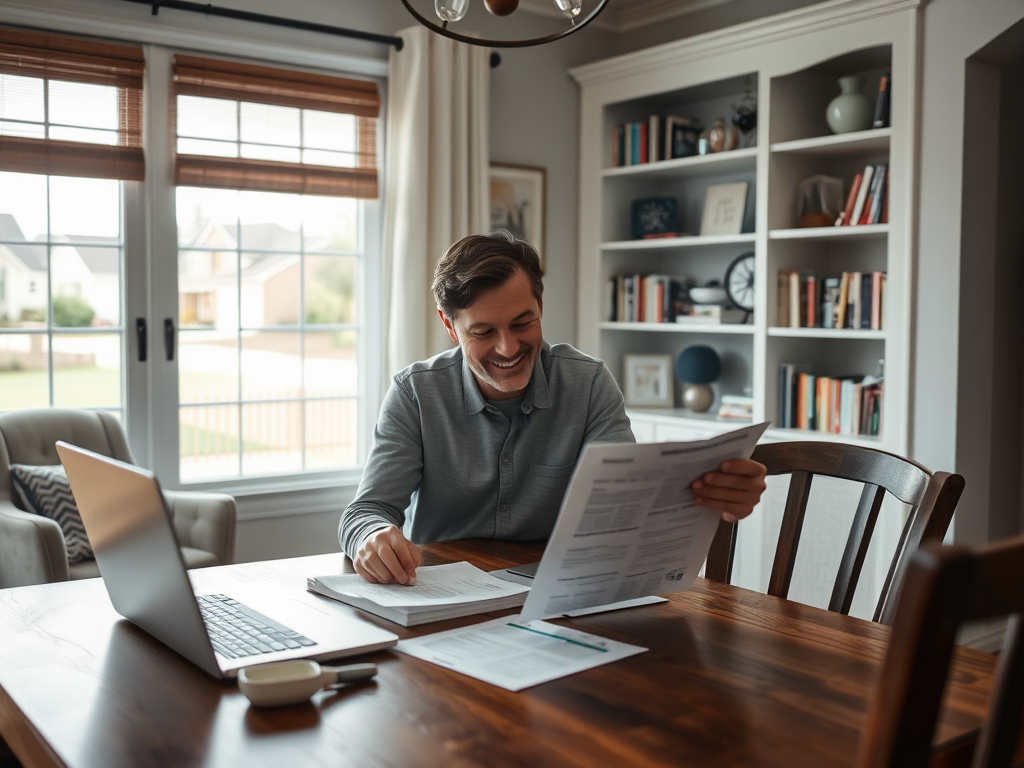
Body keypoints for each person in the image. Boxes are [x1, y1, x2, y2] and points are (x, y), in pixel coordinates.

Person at [340, 230, 767, 585]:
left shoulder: (588, 383)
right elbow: (365, 512)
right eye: (484, 331)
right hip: (437, 597)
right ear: (449, 325)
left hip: (556, 593)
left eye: (522, 323)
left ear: (541, 307)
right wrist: (373, 536)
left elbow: (628, 503)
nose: (508, 348)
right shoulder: (415, 393)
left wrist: (714, 502)